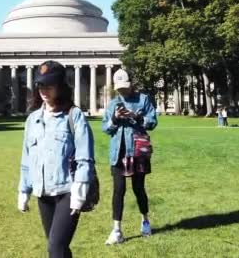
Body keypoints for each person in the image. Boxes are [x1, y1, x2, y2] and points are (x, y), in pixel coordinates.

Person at [18, 60, 95, 258]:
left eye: (49, 85)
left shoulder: (74, 115)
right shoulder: (32, 119)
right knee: (59, 248)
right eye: (41, 84)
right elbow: (27, 159)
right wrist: (23, 190)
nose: (44, 90)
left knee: (55, 248)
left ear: (60, 86)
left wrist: (80, 189)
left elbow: (85, 157)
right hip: (43, 192)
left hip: (68, 191)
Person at [102, 69, 158, 245]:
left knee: (138, 189)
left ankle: (145, 221)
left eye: (124, 87)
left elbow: (153, 122)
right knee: (118, 191)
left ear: (131, 83)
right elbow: (106, 128)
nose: (122, 91)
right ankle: (117, 230)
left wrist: (136, 116)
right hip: (117, 153)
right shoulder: (113, 103)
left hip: (137, 151)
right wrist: (115, 119)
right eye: (119, 88)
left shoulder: (143, 99)